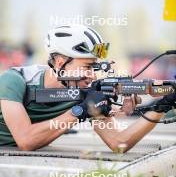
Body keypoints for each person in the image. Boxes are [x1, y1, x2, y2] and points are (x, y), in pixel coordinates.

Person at [0, 25, 175, 152]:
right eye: (87, 67)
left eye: (95, 68)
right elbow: (26, 141)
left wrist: (161, 106)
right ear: (61, 63)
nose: (92, 76)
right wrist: (80, 111)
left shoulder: (86, 90)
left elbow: (119, 143)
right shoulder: (14, 80)